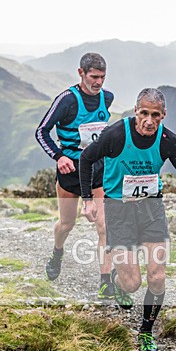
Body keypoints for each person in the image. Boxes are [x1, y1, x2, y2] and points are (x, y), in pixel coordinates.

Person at [79, 87, 176, 351]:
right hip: (118, 210)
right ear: (135, 111)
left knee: (157, 276)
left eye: (155, 115)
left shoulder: (167, 140)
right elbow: (86, 158)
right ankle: (117, 279)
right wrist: (87, 200)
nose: (149, 120)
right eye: (144, 113)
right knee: (132, 283)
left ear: (163, 115)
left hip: (152, 208)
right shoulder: (117, 134)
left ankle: (145, 332)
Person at [35, 52, 114, 299]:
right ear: (81, 73)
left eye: (102, 77)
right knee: (67, 224)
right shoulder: (67, 100)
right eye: (93, 76)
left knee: (104, 226)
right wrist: (59, 157)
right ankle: (57, 252)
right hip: (70, 171)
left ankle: (105, 281)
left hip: (97, 170)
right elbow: (41, 131)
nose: (98, 82)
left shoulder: (107, 99)